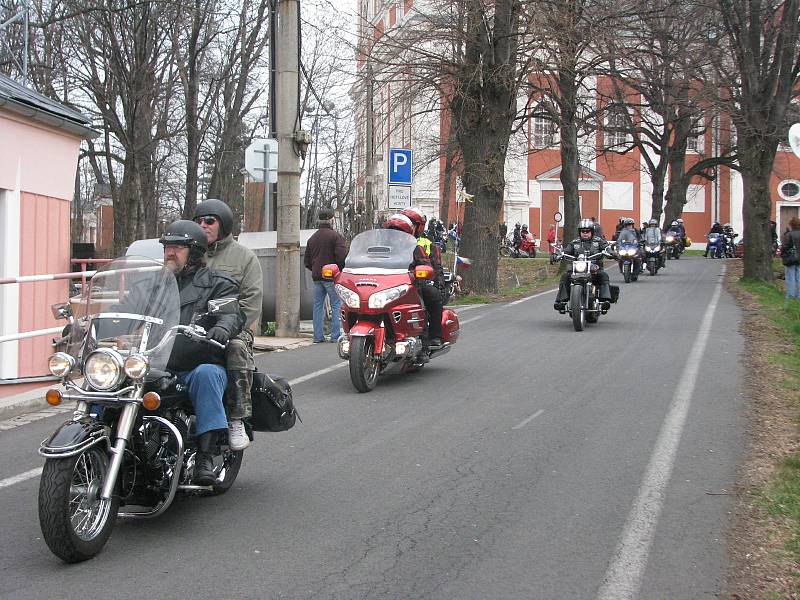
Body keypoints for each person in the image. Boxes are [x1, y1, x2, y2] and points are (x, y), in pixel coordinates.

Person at [160, 220, 244, 485]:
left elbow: (232, 312)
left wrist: (222, 327)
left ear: (194, 252)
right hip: (155, 364)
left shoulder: (217, 283)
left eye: (178, 247)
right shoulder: (154, 284)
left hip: (196, 364)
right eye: (167, 247)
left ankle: (205, 456)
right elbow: (126, 308)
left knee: (207, 375)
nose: (170, 252)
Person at [194, 198, 262, 451]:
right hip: (195, 327)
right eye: (199, 221)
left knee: (235, 347)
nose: (203, 225)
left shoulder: (244, 257)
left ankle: (237, 418)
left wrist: (228, 326)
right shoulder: (192, 254)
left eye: (209, 221)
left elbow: (251, 303)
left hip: (235, 329)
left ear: (223, 225)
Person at [385, 213, 443, 347]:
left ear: (407, 232)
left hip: (410, 284)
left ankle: (430, 338)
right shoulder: (378, 249)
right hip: (385, 286)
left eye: (399, 232)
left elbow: (426, 265)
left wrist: (419, 274)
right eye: (391, 232)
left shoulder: (415, 248)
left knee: (433, 296)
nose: (395, 236)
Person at [304, 207, 347, 343]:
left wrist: (316, 269)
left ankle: (318, 336)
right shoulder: (336, 237)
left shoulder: (312, 239)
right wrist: (339, 271)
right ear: (331, 220)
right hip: (332, 277)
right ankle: (335, 336)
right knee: (336, 304)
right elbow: (341, 258)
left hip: (317, 277)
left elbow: (307, 261)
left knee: (318, 306)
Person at [554, 218, 613, 312]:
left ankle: (605, 300)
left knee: (603, 275)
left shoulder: (598, 241)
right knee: (565, 276)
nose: (585, 233)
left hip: (595, 268)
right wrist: (558, 254)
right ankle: (561, 301)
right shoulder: (575, 242)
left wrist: (611, 252)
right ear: (579, 232)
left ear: (592, 231)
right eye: (583, 231)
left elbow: (606, 248)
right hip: (578, 268)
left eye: (587, 231)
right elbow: (566, 250)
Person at [782, 217, 800, 300]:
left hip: (790, 259)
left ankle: (790, 296)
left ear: (791, 225)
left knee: (790, 278)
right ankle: (798, 296)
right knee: (799, 278)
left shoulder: (788, 235)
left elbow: (785, 247)